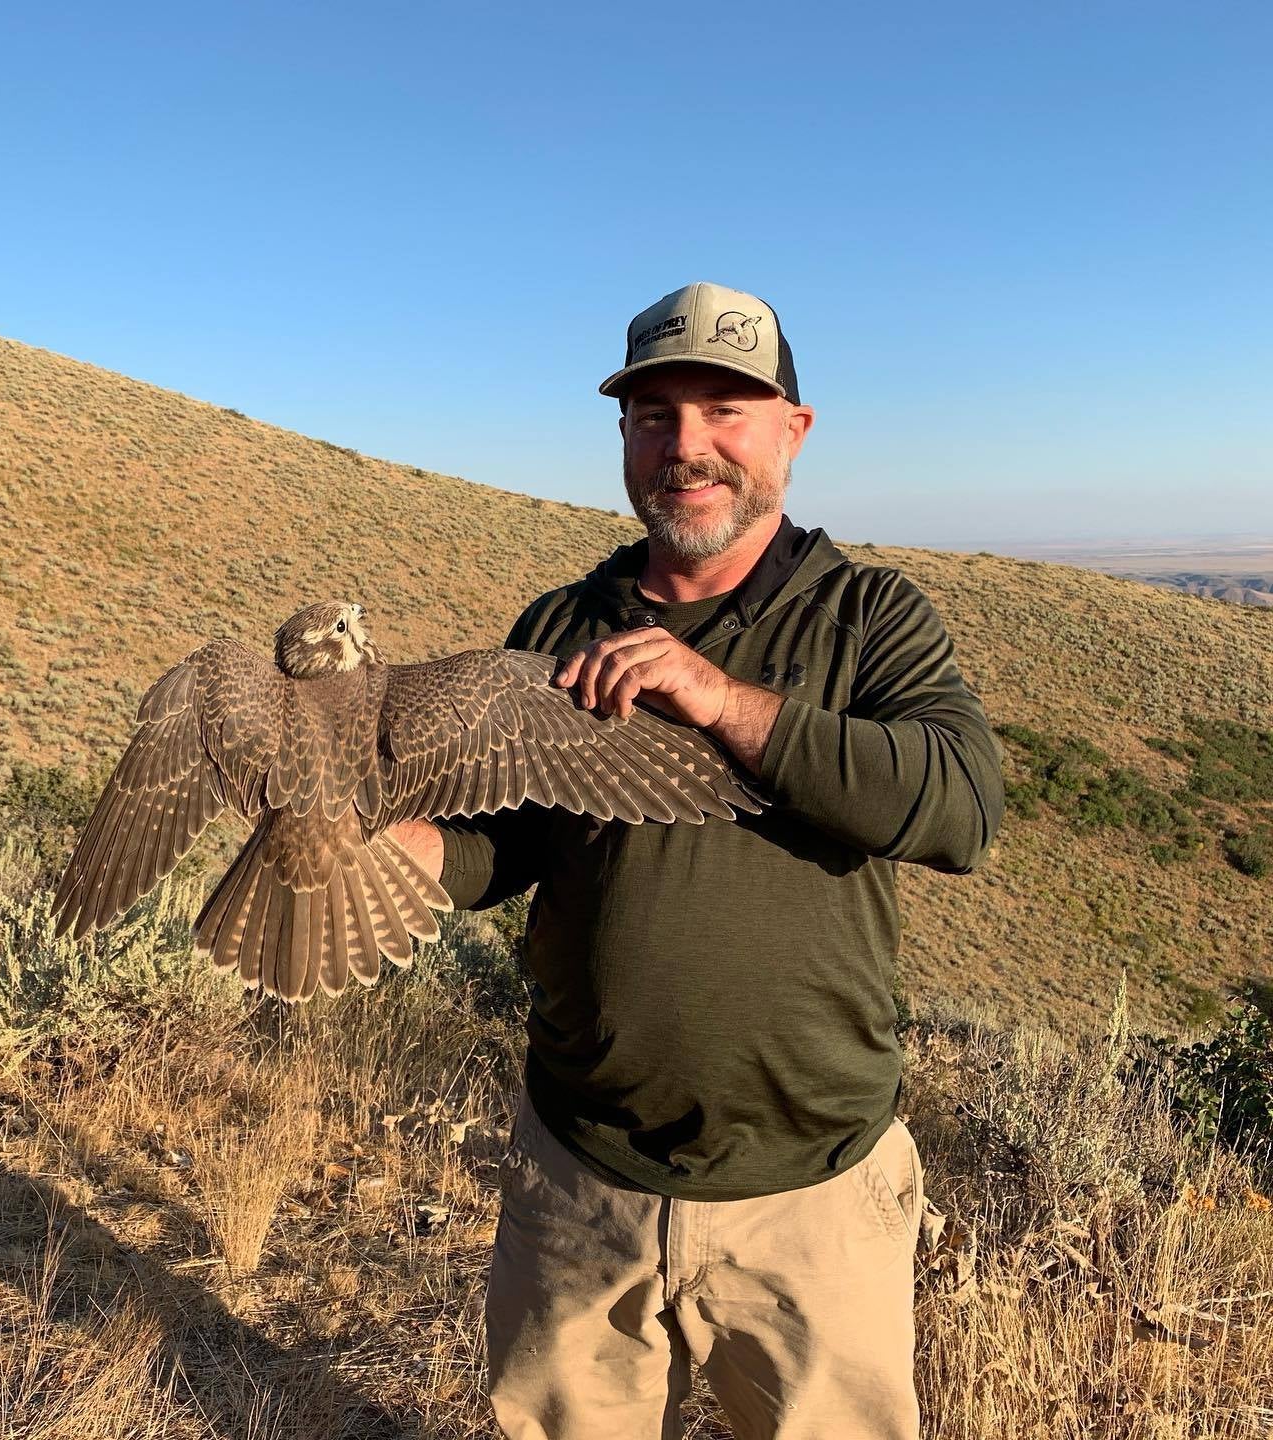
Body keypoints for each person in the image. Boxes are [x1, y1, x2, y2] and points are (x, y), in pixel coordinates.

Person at [391, 281, 1004, 1440]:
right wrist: (371, 847)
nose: (689, 447)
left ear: (792, 430)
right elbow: (503, 842)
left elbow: (959, 807)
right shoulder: (557, 627)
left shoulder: (868, 617)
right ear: (624, 436)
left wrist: (719, 699)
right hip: (582, 1180)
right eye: (656, 414)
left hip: (812, 1197)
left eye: (726, 410)